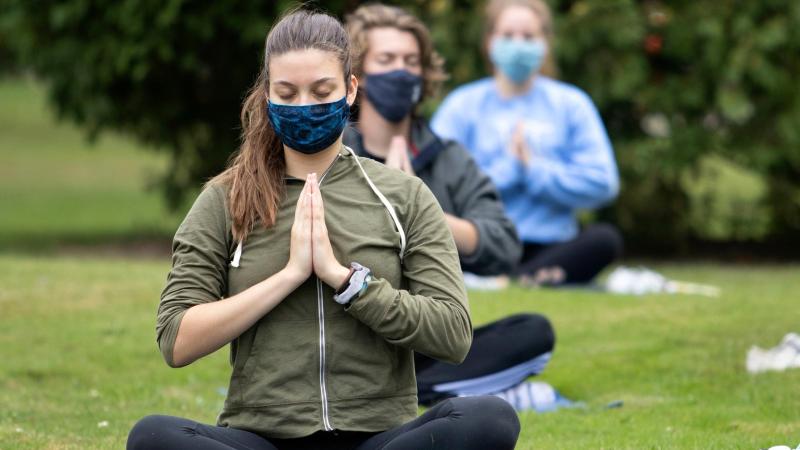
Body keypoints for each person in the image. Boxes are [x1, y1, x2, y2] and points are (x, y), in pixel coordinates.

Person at [127, 9, 520, 450]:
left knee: (491, 418)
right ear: (267, 95)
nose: (304, 106)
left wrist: (347, 282)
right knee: (153, 436)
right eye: (287, 93)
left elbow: (452, 333)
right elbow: (176, 339)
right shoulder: (225, 198)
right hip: (262, 436)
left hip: (378, 437)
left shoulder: (404, 195)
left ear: (351, 90)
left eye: (321, 90)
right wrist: (289, 275)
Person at [343, 4, 555, 409]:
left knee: (534, 332)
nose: (402, 71)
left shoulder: (447, 157)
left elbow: (504, 244)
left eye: (411, 62)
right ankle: (448, 389)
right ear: (358, 76)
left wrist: (424, 212)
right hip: (353, 339)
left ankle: (414, 392)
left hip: (428, 339)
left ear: (424, 74)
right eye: (386, 60)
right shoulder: (332, 153)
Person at [432, 0, 623, 286]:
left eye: (529, 37)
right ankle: (529, 279)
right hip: (481, 242)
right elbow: (435, 187)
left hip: (553, 245)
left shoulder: (572, 104)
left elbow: (603, 183)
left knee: (604, 239)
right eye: (508, 36)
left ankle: (512, 280)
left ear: (545, 43)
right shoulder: (461, 105)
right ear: (489, 42)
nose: (518, 45)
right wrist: (508, 170)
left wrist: (535, 171)